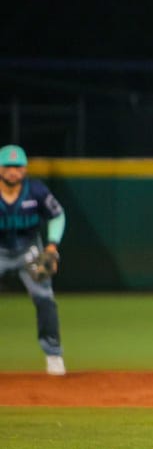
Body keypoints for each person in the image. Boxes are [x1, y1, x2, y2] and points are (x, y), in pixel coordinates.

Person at [0, 145, 67, 376]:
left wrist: (51, 246)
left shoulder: (36, 191)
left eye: (17, 166)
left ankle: (53, 355)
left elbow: (57, 215)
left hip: (29, 250)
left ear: (25, 169)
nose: (13, 171)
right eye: (8, 166)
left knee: (45, 299)